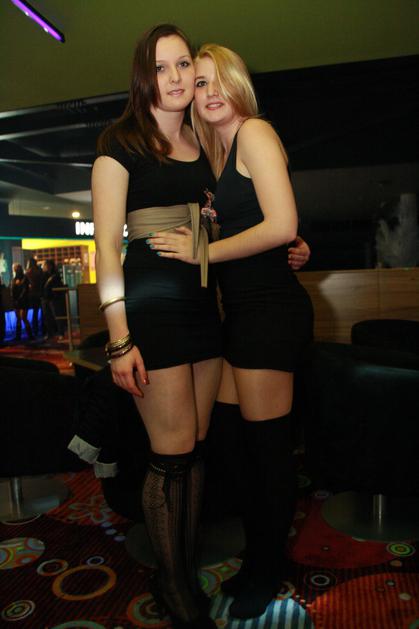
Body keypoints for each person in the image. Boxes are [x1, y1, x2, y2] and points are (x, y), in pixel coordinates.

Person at [149, 43, 314, 620]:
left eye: (220, 80)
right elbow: (270, 229)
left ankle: (268, 567)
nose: (210, 91)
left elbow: (283, 224)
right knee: (231, 446)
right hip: (240, 314)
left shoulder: (255, 133)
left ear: (240, 85)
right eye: (200, 83)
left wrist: (204, 252)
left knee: (266, 452)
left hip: (271, 314)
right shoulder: (218, 155)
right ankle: (258, 552)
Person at [88, 24, 223, 629]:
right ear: (145, 77)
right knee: (170, 454)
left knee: (194, 447)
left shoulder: (204, 141)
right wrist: (119, 339)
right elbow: (107, 251)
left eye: (183, 64)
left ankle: (182, 565)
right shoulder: (120, 143)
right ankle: (171, 583)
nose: (174, 77)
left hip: (204, 308)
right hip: (151, 312)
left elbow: (222, 227)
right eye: (161, 67)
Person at [41, 260, 66, 340]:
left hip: (53, 298)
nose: (43, 267)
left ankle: (60, 333)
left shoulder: (55, 276)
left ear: (50, 266)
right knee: (47, 317)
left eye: (45, 265)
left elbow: (57, 286)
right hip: (46, 298)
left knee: (56, 316)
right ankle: (50, 333)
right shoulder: (44, 275)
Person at [11, 263, 33, 341]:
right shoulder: (16, 278)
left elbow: (25, 290)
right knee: (20, 318)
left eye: (15, 268)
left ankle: (29, 336)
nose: (14, 270)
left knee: (23, 317)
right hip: (19, 300)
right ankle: (20, 336)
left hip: (22, 300)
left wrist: (17, 299)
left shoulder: (24, 278)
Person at [25, 257, 43, 336]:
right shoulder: (39, 271)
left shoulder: (28, 272)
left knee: (34, 313)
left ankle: (34, 330)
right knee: (42, 312)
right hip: (40, 293)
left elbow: (26, 284)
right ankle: (44, 330)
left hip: (31, 294)